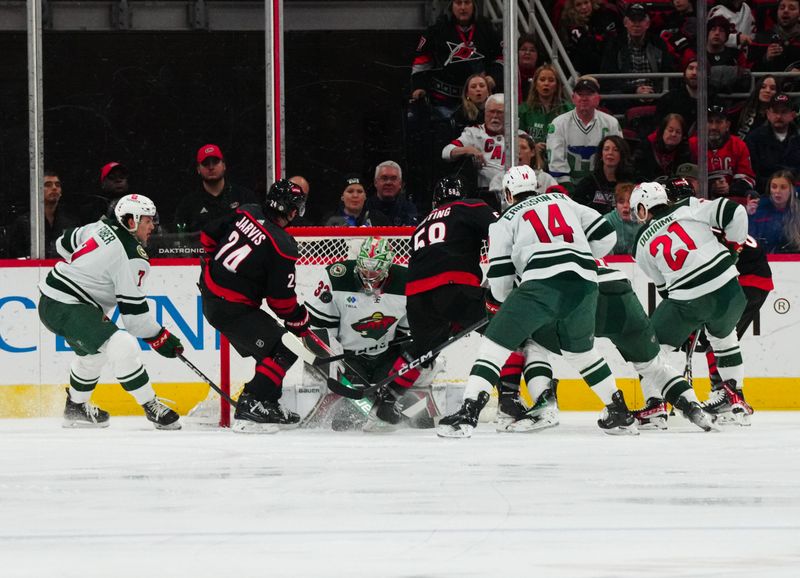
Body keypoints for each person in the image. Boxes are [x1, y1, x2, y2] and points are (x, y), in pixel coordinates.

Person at [436, 165, 639, 438]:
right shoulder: (564, 200)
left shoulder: (504, 219)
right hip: (585, 282)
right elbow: (606, 234)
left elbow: (500, 276)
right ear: (536, 186)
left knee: (493, 344)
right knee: (581, 351)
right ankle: (620, 411)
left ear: (508, 193)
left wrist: (501, 303)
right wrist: (575, 255)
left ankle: (469, 412)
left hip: (540, 283)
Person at [37, 194, 184, 430]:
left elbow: (62, 243)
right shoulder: (133, 256)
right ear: (130, 221)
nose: (153, 225)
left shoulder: (100, 226)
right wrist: (161, 338)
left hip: (53, 301)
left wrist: (88, 265)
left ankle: (75, 407)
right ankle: (150, 405)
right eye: (147, 220)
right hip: (67, 304)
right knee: (122, 344)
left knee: (94, 355)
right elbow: (135, 321)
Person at [365, 177, 498, 431]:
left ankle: (385, 402)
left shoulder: (422, 224)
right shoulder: (470, 206)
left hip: (417, 297)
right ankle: (511, 400)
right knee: (503, 332)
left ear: (436, 200)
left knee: (424, 349)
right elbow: (502, 230)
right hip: (454, 288)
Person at [629, 181, 753, 423]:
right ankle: (733, 397)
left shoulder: (640, 244)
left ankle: (655, 405)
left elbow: (664, 287)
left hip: (688, 299)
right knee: (725, 339)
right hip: (730, 289)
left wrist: (687, 316)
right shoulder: (688, 206)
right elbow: (735, 212)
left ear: (643, 208)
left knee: (647, 347)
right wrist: (734, 249)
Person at [198, 179, 310, 433]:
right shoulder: (283, 246)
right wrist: (300, 320)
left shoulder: (248, 210)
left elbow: (207, 234)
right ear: (291, 209)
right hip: (232, 310)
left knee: (270, 345)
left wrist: (207, 267)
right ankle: (252, 401)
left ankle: (268, 402)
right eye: (296, 208)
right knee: (286, 347)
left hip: (214, 298)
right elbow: (281, 303)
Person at [305, 236, 416, 432]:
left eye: (375, 271)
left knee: (406, 414)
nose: (369, 275)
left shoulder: (407, 282)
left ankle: (415, 412)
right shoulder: (336, 276)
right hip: (347, 357)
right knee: (344, 422)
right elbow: (318, 328)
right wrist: (333, 358)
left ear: (388, 267)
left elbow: (407, 336)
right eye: (365, 269)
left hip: (385, 355)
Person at [409, 0, 503, 120]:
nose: (463, 7)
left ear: (474, 5)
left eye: (467, 2)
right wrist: (418, 86)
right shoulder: (437, 29)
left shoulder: (486, 27)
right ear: (451, 6)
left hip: (479, 102)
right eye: (458, 3)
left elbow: (502, 56)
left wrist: (494, 76)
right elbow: (422, 60)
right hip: (443, 102)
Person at [546, 76, 622, 192]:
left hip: (602, 186)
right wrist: (569, 190)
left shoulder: (611, 123)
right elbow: (556, 163)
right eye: (580, 94)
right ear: (573, 98)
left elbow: (619, 157)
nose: (584, 98)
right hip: (569, 186)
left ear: (598, 98)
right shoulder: (558, 124)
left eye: (589, 94)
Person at [599, 3, 677, 107]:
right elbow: (607, 79)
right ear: (625, 23)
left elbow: (669, 72)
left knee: (673, 97)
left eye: (640, 20)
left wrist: (654, 91)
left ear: (647, 24)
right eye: (633, 20)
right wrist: (635, 89)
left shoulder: (658, 43)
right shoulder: (614, 44)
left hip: (655, 93)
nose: (636, 24)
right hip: (626, 94)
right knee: (614, 98)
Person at [442, 93, 508, 208]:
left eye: (500, 112)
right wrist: (467, 149)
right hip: (485, 194)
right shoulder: (473, 133)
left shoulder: (519, 136)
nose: (495, 116)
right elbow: (446, 152)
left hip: (512, 190)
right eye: (491, 112)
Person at [173, 144, 258, 232]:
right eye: (206, 163)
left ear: (224, 165)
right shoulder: (188, 205)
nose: (211, 167)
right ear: (198, 169)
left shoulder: (244, 197)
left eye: (215, 162)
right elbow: (180, 239)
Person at [689, 105, 756, 205]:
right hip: (699, 201)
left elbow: (748, 179)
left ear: (727, 125)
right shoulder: (692, 144)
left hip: (731, 200)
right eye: (710, 122)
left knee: (753, 196)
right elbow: (686, 178)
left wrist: (730, 188)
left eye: (719, 122)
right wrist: (709, 187)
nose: (714, 127)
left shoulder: (738, 145)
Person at [8, 170, 80, 258]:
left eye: (57, 185)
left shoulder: (71, 222)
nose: (54, 188)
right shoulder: (24, 223)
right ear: (37, 190)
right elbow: (14, 256)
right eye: (48, 185)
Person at [518, 64, 573, 169]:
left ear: (557, 85)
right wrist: (532, 147)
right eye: (542, 80)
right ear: (535, 84)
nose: (546, 83)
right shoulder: (523, 110)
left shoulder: (568, 110)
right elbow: (518, 139)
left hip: (561, 161)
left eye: (551, 80)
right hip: (532, 164)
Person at [745, 93, 800, 193]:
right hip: (765, 193)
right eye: (775, 112)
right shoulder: (754, 139)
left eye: (784, 112)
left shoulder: (798, 138)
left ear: (792, 115)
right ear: (768, 114)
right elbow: (752, 174)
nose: (778, 116)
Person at [572, 135, 636, 214]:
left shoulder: (629, 183)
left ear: (622, 155)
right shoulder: (588, 183)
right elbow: (575, 209)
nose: (610, 153)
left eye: (615, 150)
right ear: (601, 154)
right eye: (606, 149)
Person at [559, 0, 620, 76]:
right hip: (584, 69)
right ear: (572, 8)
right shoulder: (570, 23)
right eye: (578, 5)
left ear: (592, 3)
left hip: (608, 64)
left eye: (586, 2)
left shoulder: (605, 14)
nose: (584, 7)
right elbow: (585, 44)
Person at [748, 168, 800, 252]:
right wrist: (749, 216)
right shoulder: (759, 209)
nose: (777, 191)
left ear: (791, 190)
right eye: (774, 187)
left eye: (783, 187)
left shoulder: (798, 211)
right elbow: (751, 240)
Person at [633, 113, 692, 180]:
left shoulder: (684, 151)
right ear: (662, 131)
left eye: (678, 132)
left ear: (682, 136)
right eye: (670, 130)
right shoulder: (645, 146)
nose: (673, 134)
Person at [750, 0, 800, 74]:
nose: (785, 11)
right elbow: (751, 72)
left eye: (792, 8)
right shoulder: (761, 39)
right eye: (782, 8)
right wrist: (766, 58)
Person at [365, 161, 419, 226]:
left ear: (400, 184)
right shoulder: (365, 207)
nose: (389, 182)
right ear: (375, 182)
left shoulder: (409, 210)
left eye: (393, 179)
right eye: (384, 178)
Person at [323, 174, 389, 226]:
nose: (355, 195)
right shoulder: (330, 220)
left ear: (365, 196)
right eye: (350, 191)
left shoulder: (378, 219)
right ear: (342, 196)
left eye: (360, 191)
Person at [655, 58, 699, 133]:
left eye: (699, 69)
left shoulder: (714, 99)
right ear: (684, 73)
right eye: (691, 68)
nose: (694, 73)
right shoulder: (668, 99)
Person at [732, 74, 779, 139]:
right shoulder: (742, 108)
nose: (767, 91)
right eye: (763, 87)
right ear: (758, 89)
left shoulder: (780, 115)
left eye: (772, 88)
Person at [602, 182, 641, 255]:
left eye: (629, 202)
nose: (625, 205)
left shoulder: (643, 221)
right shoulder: (606, 221)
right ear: (616, 204)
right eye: (621, 202)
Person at [516, 34, 540, 103]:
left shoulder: (542, 75)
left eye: (532, 50)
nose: (527, 53)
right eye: (523, 49)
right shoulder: (508, 73)